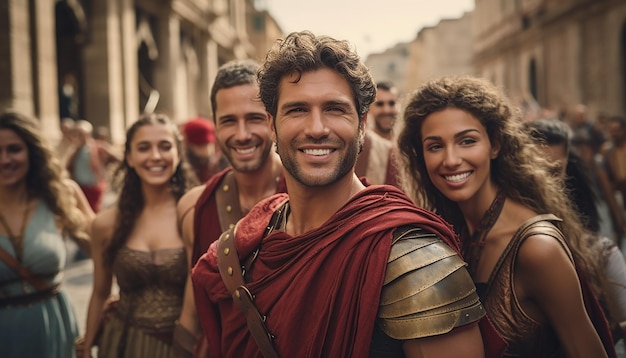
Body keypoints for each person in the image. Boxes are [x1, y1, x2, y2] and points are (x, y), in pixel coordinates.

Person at [192, 31, 496, 358]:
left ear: (363, 124)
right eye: (297, 110)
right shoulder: (253, 239)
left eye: (335, 109)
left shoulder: (417, 262)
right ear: (272, 125)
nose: (317, 128)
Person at [397, 76, 617, 357]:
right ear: (421, 155)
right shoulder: (452, 232)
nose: (451, 159)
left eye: (467, 141)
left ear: (495, 144)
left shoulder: (537, 248)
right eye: (435, 146)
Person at [173, 59, 286, 357]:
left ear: (273, 121)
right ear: (214, 125)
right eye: (228, 121)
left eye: (254, 118)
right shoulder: (195, 206)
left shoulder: (309, 196)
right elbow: (193, 311)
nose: (242, 134)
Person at [77, 113, 196, 358]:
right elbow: (100, 291)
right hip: (123, 343)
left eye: (165, 147)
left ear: (177, 153)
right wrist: (88, 345)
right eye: (144, 148)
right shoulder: (106, 223)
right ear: (129, 157)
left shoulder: (193, 214)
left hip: (182, 346)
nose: (155, 156)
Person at [0, 110, 93, 358]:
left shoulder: (59, 195)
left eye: (14, 149)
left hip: (54, 327)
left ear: (31, 151)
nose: (5, 159)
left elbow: (106, 251)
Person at [354, 81, 400, 186]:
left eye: (392, 103)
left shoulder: (404, 147)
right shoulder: (363, 144)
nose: (386, 110)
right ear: (369, 108)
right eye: (380, 104)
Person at [66, 120, 107, 212]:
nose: (77, 137)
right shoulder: (75, 150)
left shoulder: (96, 147)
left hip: (93, 188)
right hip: (80, 188)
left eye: (80, 134)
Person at [181, 117, 229, 183]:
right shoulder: (185, 170)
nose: (207, 150)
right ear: (191, 146)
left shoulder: (222, 162)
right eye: (201, 145)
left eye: (209, 144)